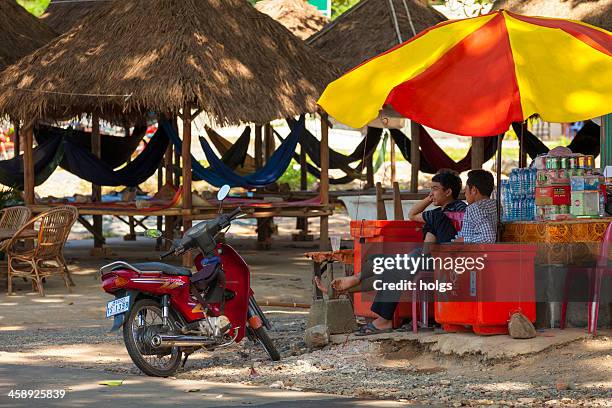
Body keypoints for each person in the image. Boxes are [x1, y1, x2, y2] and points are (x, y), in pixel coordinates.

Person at [314, 170, 467, 312]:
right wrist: (432, 196)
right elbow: (415, 219)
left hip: (436, 260)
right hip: (432, 258)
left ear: (448, 191)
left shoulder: (438, 214)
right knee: (381, 264)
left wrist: (428, 200)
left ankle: (351, 284)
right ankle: (344, 288)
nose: (431, 193)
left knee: (384, 267)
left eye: (434, 189)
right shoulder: (462, 209)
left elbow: (412, 214)